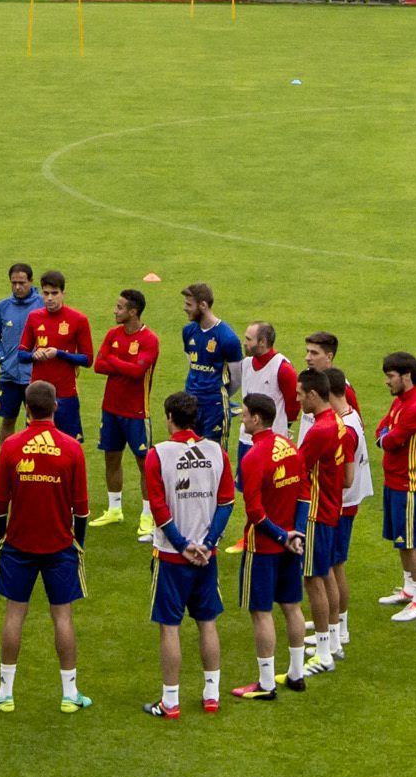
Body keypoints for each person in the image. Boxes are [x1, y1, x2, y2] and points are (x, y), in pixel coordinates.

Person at [0, 383, 92, 714]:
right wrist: (78, 544)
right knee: (63, 616)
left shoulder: (12, 447)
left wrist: (1, 538)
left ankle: (5, 692)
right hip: (60, 545)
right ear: (56, 406)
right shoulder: (72, 448)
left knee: (15, 613)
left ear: (26, 409)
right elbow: (82, 508)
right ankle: (69, 693)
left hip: (18, 544)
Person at [139, 388, 235, 718]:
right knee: (207, 623)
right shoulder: (217, 452)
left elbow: (159, 507)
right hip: (207, 557)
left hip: (170, 556)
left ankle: (171, 701)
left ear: (169, 418)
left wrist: (182, 545)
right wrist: (207, 544)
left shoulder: (158, 454)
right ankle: (211, 695)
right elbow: (226, 503)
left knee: (170, 627)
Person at [232, 389, 310, 700]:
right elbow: (304, 493)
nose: (242, 420)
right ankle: (296, 673)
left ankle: (266, 683)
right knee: (292, 607)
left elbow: (254, 512)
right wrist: (297, 533)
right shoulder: (290, 447)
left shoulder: (253, 457)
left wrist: (280, 536)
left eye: (245, 415)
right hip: (292, 543)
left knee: (261, 612)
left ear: (257, 418)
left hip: (264, 547)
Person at [295, 364, 367, 675]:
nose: (297, 401)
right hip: (331, 508)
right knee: (326, 575)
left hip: (313, 512)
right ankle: (334, 641)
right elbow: (347, 476)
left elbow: (296, 468)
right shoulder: (340, 425)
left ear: (313, 394)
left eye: (300, 395)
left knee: (314, 580)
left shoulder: (320, 430)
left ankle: (323, 652)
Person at [91, 290, 163, 525]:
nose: (115, 310)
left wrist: (112, 359)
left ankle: (147, 515)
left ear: (133, 312)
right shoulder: (113, 333)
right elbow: (98, 365)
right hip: (110, 409)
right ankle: (114, 509)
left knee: (145, 464)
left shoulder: (149, 339)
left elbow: (137, 372)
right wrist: (120, 363)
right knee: (111, 458)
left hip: (137, 413)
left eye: (120, 307)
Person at [377, 350, 416, 622]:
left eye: (390, 376)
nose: (387, 382)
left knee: (411, 543)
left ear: (406, 376)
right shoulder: (400, 402)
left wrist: (386, 438)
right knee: (401, 541)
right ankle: (410, 590)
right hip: (393, 482)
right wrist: (385, 437)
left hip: (408, 486)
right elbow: (381, 431)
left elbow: (389, 440)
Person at [25, 271, 95, 486]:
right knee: (35, 446)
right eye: (45, 293)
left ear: (63, 293)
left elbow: (87, 359)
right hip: (37, 395)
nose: (49, 298)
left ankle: (71, 489)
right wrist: (32, 354)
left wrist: (60, 353)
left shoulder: (78, 320)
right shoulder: (34, 317)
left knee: (70, 447)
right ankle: (39, 485)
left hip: (66, 395)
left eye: (54, 293)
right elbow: (20, 353)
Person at [177, 285, 236, 456]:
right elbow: (192, 362)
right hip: (190, 404)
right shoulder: (188, 331)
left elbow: (237, 377)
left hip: (214, 406)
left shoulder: (227, 337)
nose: (185, 308)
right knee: (189, 454)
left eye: (189, 305)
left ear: (202, 305)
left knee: (214, 455)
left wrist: (220, 395)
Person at [0, 263, 44, 423]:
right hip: (9, 375)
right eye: (14, 283)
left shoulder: (42, 305)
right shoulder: (2, 307)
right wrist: (1, 357)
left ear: (31, 281)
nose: (17, 287)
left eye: (22, 283)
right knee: (7, 420)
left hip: (35, 376)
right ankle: (6, 449)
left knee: (36, 422)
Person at [235, 323, 300, 451]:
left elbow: (294, 406)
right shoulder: (246, 363)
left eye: (248, 339)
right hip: (246, 439)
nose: (244, 343)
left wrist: (280, 426)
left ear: (262, 342)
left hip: (272, 442)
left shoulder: (283, 368)